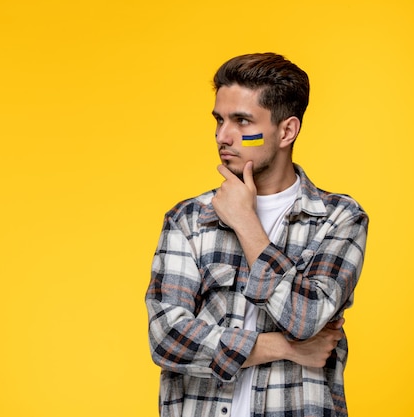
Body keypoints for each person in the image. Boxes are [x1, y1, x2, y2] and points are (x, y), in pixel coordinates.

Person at [145, 53, 368, 417]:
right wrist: (285, 347)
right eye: (219, 120)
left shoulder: (339, 218)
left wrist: (246, 223)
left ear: (286, 131)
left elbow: (305, 317)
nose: (222, 135)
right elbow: (168, 340)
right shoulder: (188, 220)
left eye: (241, 121)